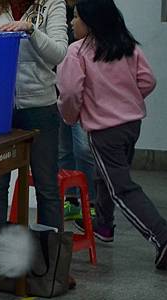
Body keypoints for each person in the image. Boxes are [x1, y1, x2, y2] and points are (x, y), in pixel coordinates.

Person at [57, 0, 167, 270]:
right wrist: (126, 101)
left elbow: (70, 92)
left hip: (105, 130)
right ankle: (104, 225)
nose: (72, 23)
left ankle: (162, 237)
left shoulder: (77, 51)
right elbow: (148, 81)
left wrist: (71, 117)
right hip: (131, 125)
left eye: (76, 18)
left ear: (91, 22)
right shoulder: (128, 46)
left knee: (122, 188)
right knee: (105, 175)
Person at [0, 0, 68, 232]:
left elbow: (59, 54)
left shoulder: (51, 4)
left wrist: (31, 30)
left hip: (39, 106)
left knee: (46, 185)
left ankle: (49, 264)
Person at [57, 0, 96, 221]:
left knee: (84, 150)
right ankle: (70, 200)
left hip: (85, 91)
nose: (73, 23)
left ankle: (90, 202)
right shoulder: (56, 6)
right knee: (64, 150)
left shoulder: (88, 7)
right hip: (60, 86)